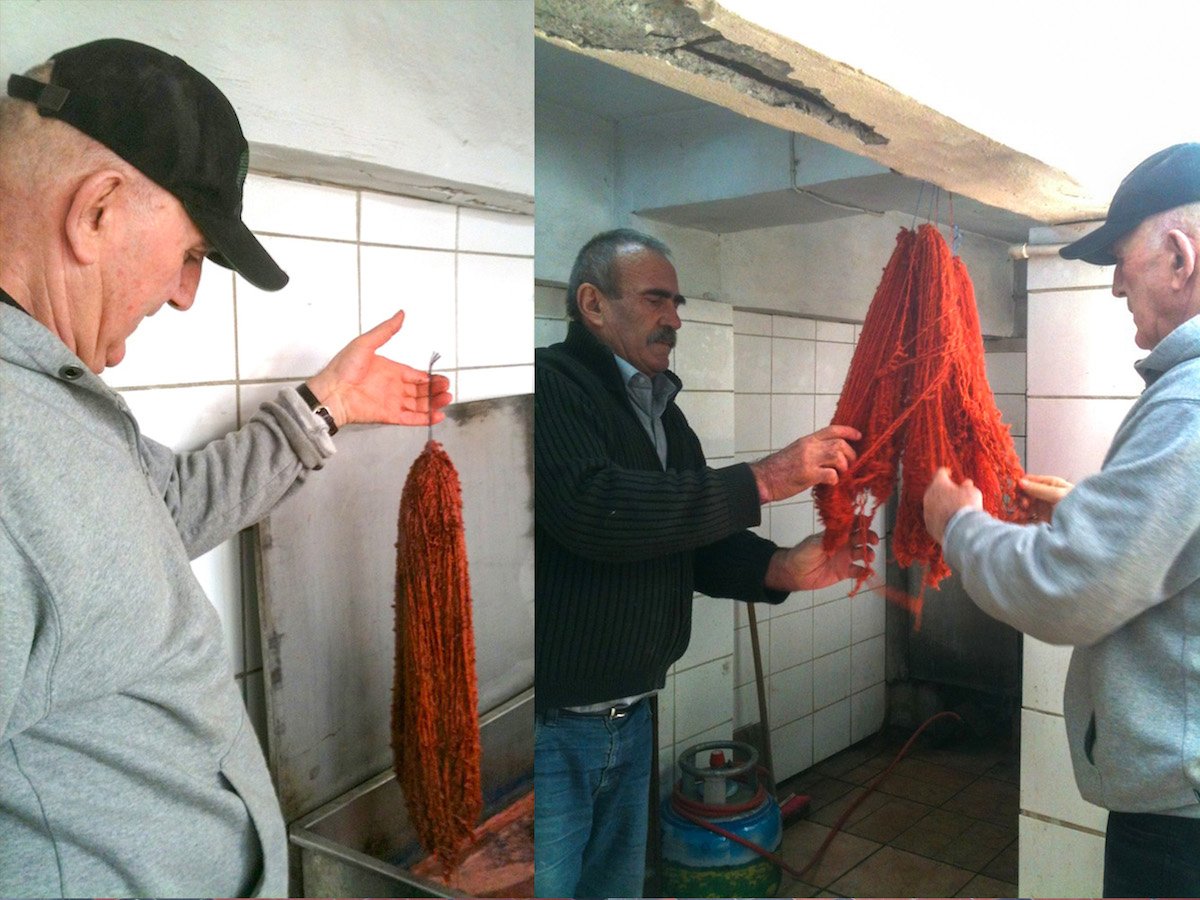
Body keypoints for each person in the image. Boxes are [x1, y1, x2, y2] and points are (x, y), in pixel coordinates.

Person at [0, 39, 450, 898]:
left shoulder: (55, 396)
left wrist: (326, 408)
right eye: (194, 254)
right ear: (96, 210)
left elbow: (159, 511)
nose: (183, 294)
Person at [534, 228, 872, 898]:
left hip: (632, 717)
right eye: (658, 299)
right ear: (593, 304)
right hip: (551, 728)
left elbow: (695, 546)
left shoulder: (663, 412)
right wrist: (767, 479)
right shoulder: (550, 386)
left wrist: (781, 568)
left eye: (678, 302)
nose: (675, 319)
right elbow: (594, 512)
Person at [923, 142, 1200, 898]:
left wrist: (957, 522)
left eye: (1120, 258)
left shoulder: (1189, 403)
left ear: (1179, 255)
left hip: (1184, 823)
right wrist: (1082, 509)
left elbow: (1067, 590)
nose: (1115, 286)